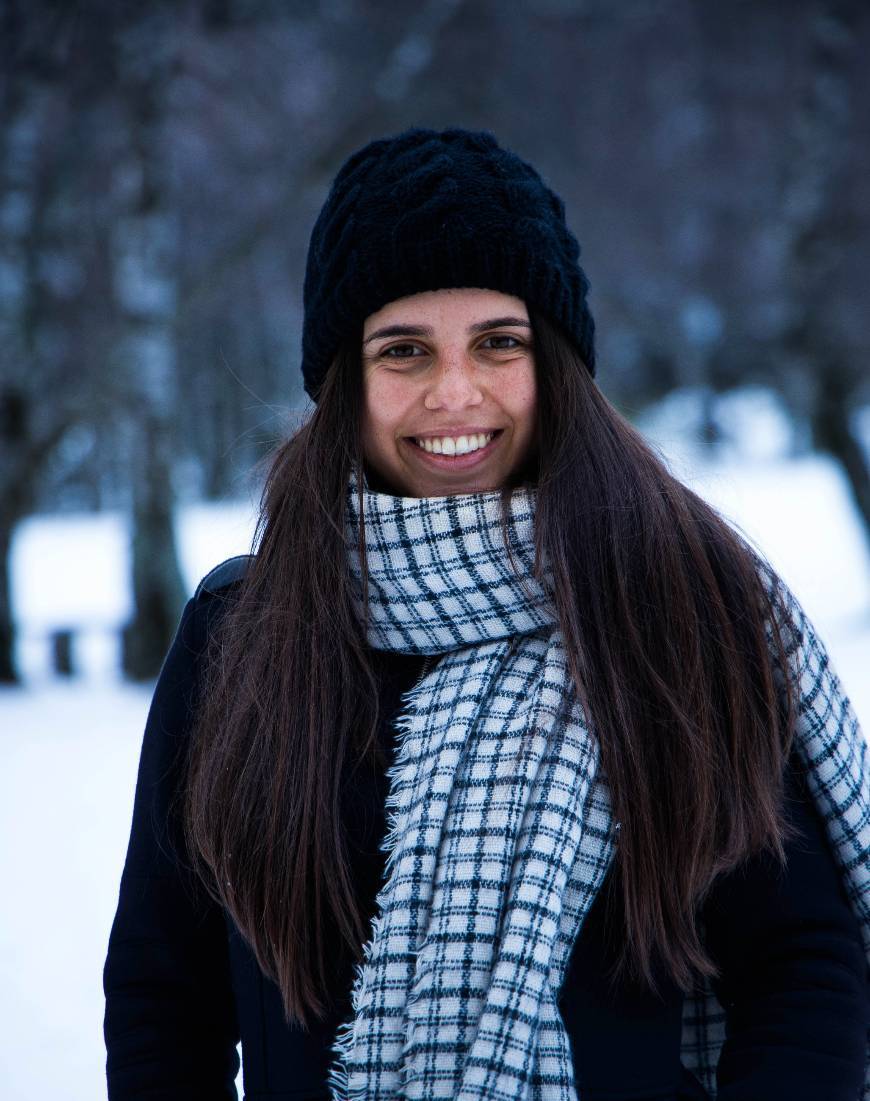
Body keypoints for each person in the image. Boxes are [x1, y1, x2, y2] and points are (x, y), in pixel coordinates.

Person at [103, 127, 869, 1101]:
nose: (454, 393)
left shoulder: (679, 613)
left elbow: (802, 968)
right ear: (346, 381)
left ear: (556, 364)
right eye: (404, 350)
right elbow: (166, 999)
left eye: (498, 343)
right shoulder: (240, 636)